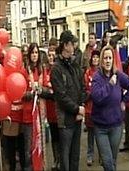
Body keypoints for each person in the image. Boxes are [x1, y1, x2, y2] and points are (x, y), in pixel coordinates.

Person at [91, 45, 129, 171]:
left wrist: (124, 100)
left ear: (113, 60)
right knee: (107, 161)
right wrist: (110, 85)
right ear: (101, 60)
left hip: (116, 126)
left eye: (110, 58)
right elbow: (96, 97)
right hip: (101, 127)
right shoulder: (97, 77)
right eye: (105, 58)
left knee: (113, 161)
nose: (107, 61)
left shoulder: (118, 75)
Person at [50, 30, 87, 171]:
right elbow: (61, 96)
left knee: (75, 156)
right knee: (65, 157)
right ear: (65, 45)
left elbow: (82, 87)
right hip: (65, 121)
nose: (75, 46)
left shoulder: (75, 64)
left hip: (77, 118)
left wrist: (81, 106)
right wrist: (77, 109)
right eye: (72, 43)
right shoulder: (56, 69)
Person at [22, 42, 44, 171]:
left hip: (40, 116)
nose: (34, 55)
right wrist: (31, 93)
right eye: (32, 53)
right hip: (28, 116)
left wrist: (42, 90)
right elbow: (20, 93)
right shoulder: (25, 71)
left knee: (39, 147)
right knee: (28, 149)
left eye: (36, 53)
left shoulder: (41, 69)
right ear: (29, 55)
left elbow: (47, 86)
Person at [42, 46, 60, 170]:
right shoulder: (45, 71)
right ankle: (55, 160)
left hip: (60, 110)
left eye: (53, 55)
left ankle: (62, 159)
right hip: (49, 111)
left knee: (62, 137)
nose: (51, 57)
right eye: (50, 55)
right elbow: (43, 88)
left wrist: (50, 93)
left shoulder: (59, 70)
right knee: (54, 137)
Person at [84, 50, 101, 166]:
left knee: (100, 133)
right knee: (90, 133)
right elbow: (85, 89)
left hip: (99, 109)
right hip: (89, 108)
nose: (95, 59)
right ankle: (90, 154)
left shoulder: (101, 73)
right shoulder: (87, 73)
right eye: (93, 57)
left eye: (97, 57)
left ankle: (101, 155)